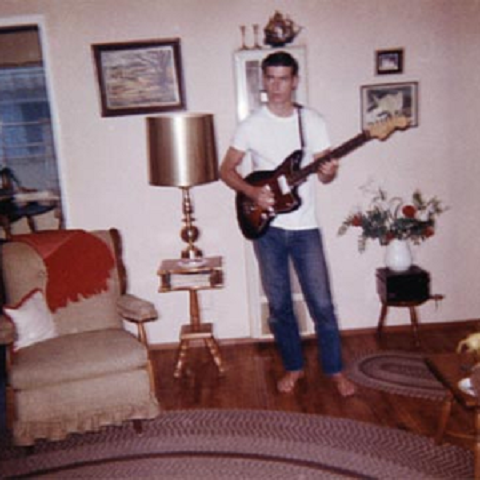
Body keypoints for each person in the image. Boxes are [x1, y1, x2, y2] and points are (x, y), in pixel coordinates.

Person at [220, 51, 356, 397]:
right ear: (263, 80)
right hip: (268, 229)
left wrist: (329, 171)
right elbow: (226, 170)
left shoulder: (312, 122)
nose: (276, 86)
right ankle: (294, 367)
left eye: (283, 79)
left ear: (295, 81)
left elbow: (323, 174)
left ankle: (335, 370)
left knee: (321, 304)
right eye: (270, 78)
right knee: (280, 306)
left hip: (305, 227)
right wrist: (253, 191)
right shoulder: (250, 124)